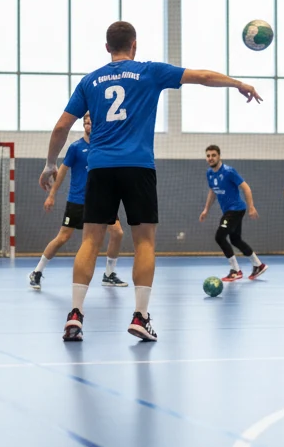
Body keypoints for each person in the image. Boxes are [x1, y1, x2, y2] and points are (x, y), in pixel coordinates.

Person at [41, 21, 260, 342]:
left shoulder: (90, 81)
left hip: (99, 168)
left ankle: (75, 315)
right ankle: (141, 317)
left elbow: (61, 127)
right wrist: (237, 83)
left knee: (89, 242)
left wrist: (49, 164)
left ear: (107, 48)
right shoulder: (149, 71)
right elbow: (201, 76)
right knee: (144, 243)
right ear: (134, 45)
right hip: (138, 168)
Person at [29, 113, 126, 291]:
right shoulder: (75, 148)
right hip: (78, 200)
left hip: (102, 201)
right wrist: (52, 194)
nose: (88, 122)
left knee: (117, 233)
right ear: (83, 125)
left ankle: (109, 274)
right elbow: (63, 171)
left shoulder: (104, 146)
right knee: (63, 237)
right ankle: (37, 272)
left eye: (91, 120)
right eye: (85, 121)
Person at [200, 144, 266, 282]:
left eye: (213, 155)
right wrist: (206, 209)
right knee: (235, 239)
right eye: (208, 156)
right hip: (230, 210)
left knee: (220, 236)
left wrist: (251, 207)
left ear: (219, 156)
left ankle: (235, 270)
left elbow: (246, 188)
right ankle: (258, 265)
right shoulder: (209, 173)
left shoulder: (229, 171)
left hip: (235, 209)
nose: (210, 158)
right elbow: (212, 191)